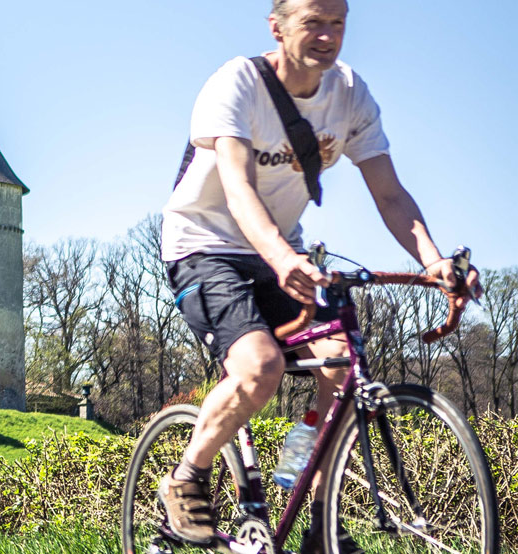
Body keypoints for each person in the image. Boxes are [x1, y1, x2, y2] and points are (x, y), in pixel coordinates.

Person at [158, 0, 480, 551]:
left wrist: (433, 260)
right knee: (259, 368)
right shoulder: (236, 84)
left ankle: (320, 520)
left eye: (338, 22)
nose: (328, 36)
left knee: (339, 362)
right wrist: (283, 259)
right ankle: (187, 478)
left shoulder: (350, 95)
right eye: (313, 21)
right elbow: (237, 189)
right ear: (277, 26)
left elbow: (390, 192)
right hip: (205, 245)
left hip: (281, 249)